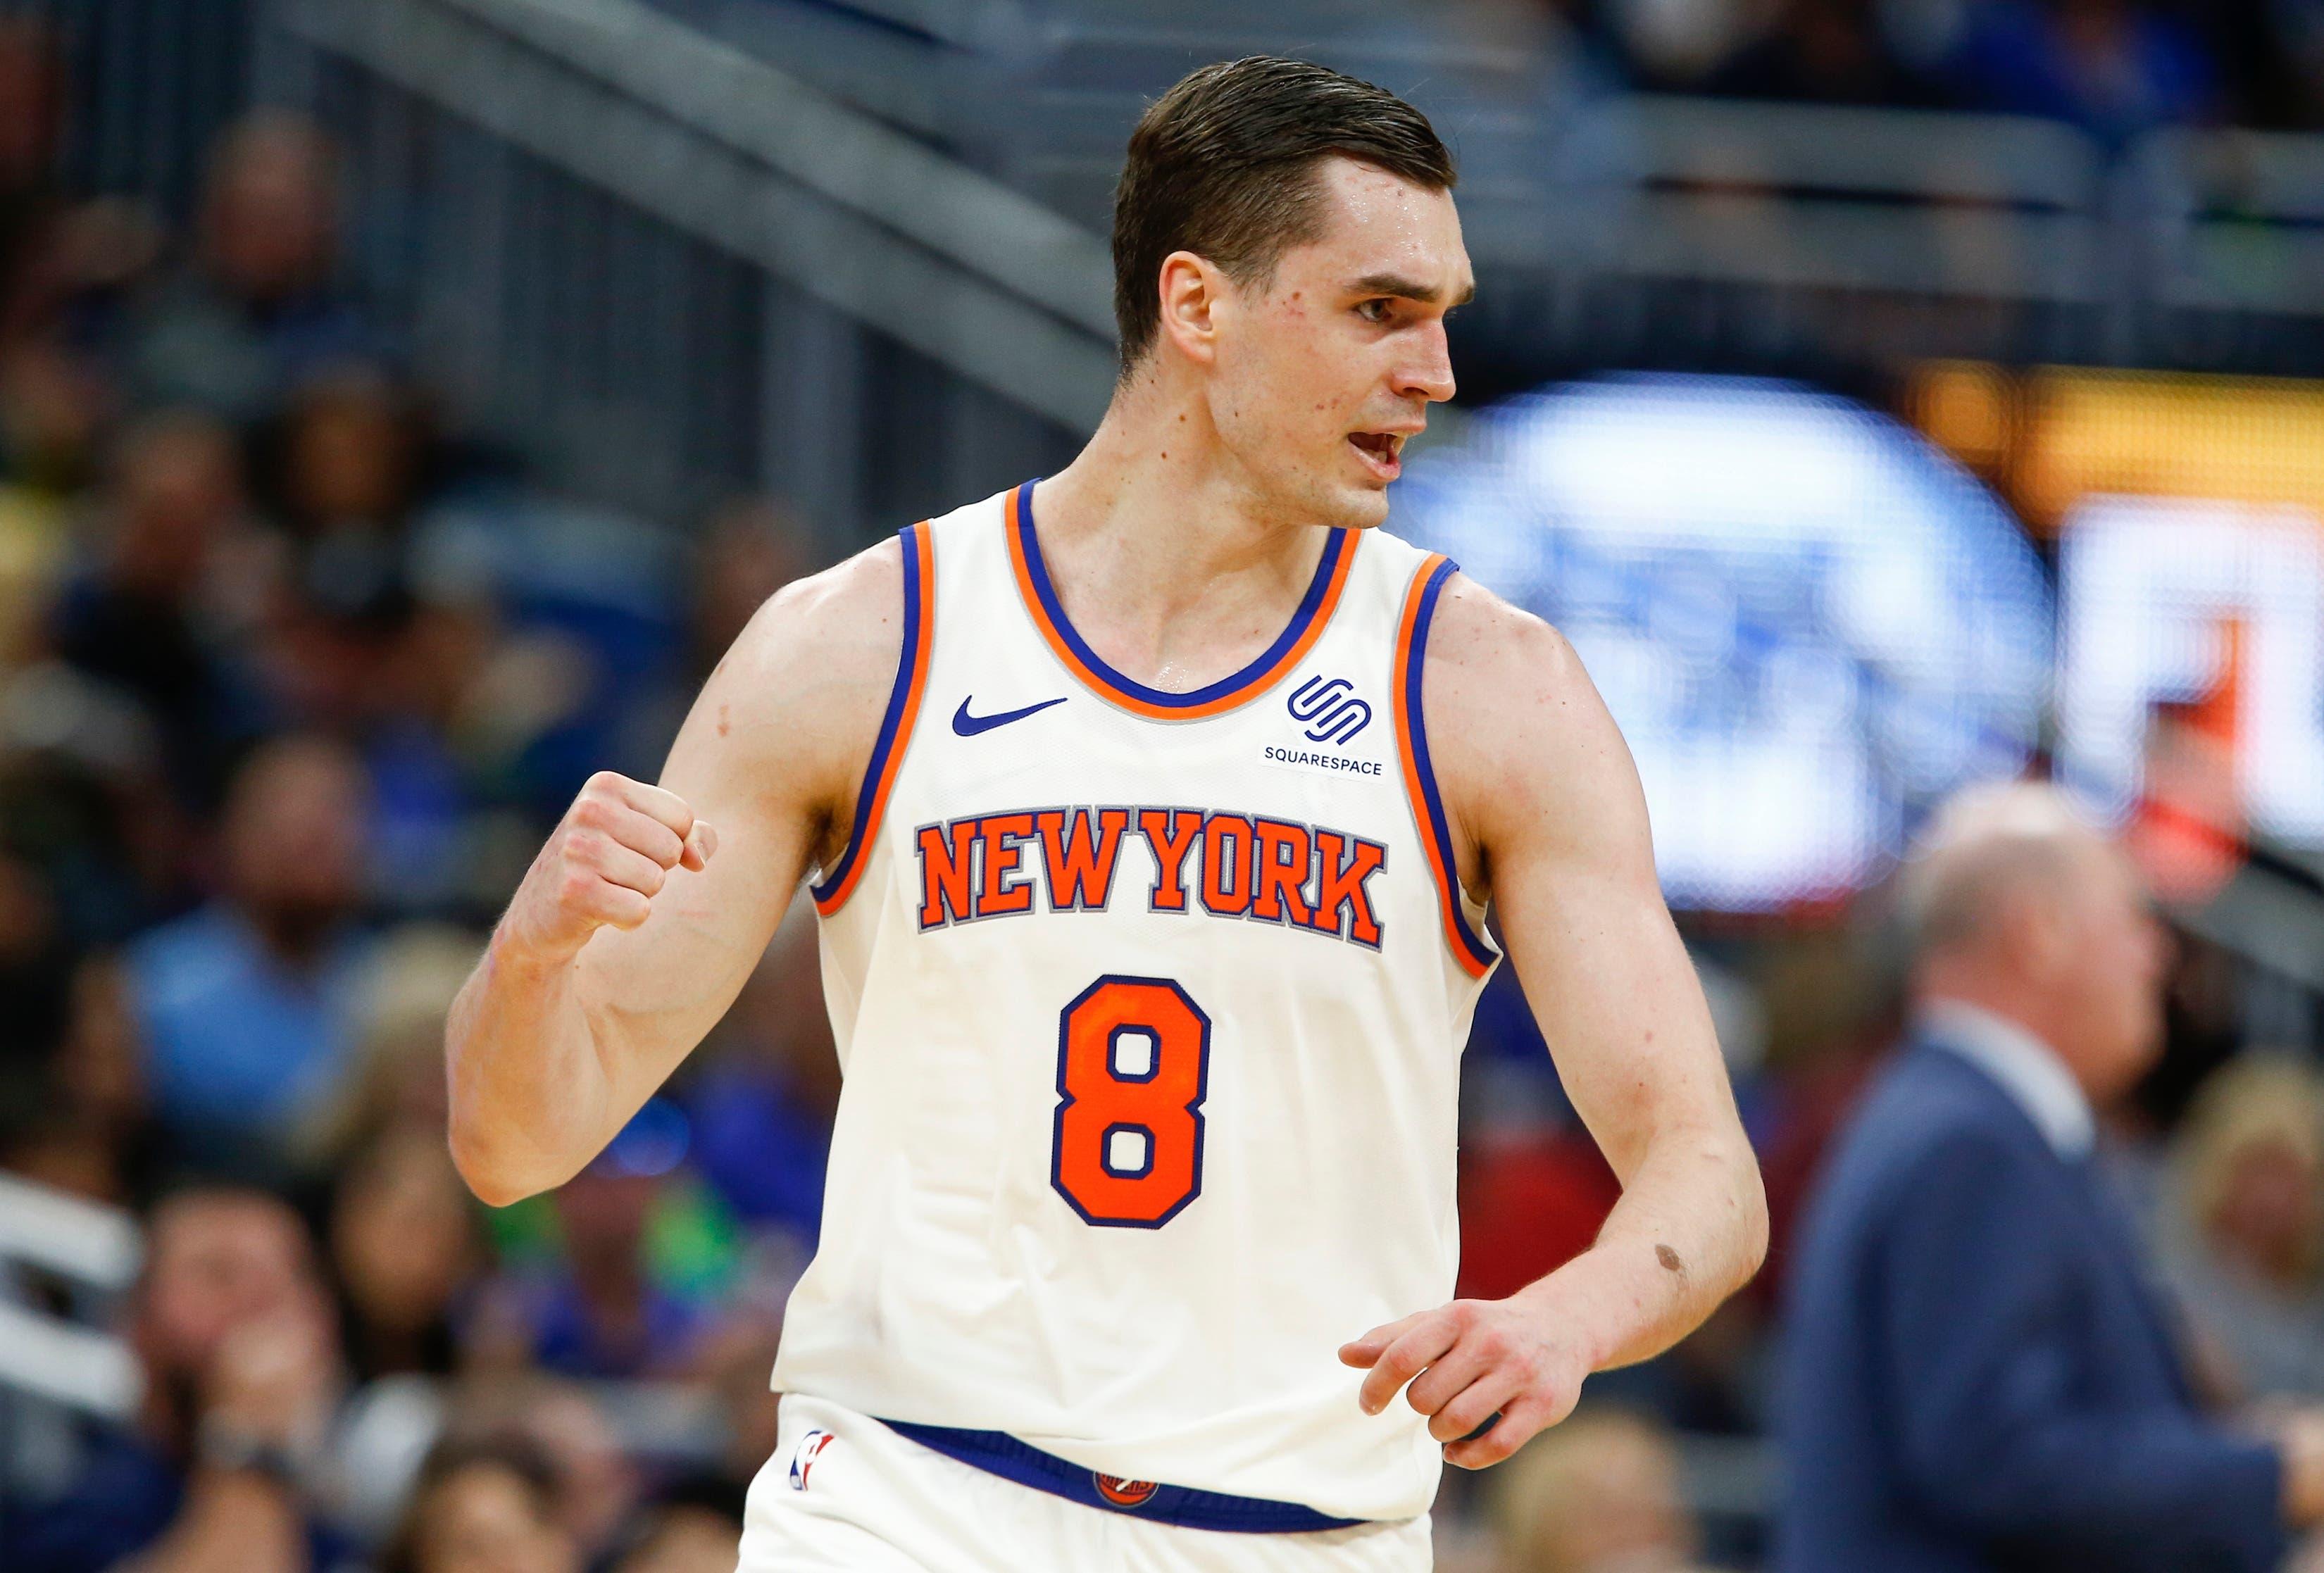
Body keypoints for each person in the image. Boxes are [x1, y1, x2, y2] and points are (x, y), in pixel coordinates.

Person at [446, 55, 1766, 1571]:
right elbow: (514, 1141)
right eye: (1380, 310)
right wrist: (535, 956)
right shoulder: (862, 645)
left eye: (1443, 315)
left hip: (1300, 1530)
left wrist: (1563, 1321)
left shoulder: (1489, 689)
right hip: (906, 1503)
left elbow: (1706, 1172)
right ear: (1198, 308)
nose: (1438, 373)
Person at [1773, 780, 2324, 1572]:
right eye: (2135, 917)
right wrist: (2277, 1474)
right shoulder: (1969, 1142)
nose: (2158, 953)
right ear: (2038, 932)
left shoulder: (1953, 1119)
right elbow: (2000, 1460)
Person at [10, 1186, 354, 1573]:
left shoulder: (347, 1523)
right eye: (220, 1274)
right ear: (134, 1322)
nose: (262, 1299)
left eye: (292, 1273)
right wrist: (252, 1444)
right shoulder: (65, 1495)